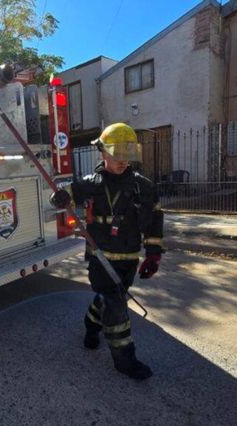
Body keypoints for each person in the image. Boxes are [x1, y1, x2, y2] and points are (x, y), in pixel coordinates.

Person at [65, 122, 164, 381]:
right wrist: (60, 198)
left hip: (129, 258)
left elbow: (154, 220)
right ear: (103, 153)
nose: (123, 161)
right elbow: (63, 193)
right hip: (101, 258)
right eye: (116, 154)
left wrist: (153, 254)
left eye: (127, 154)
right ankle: (125, 360)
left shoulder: (144, 187)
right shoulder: (91, 184)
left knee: (109, 298)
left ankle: (90, 325)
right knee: (117, 306)